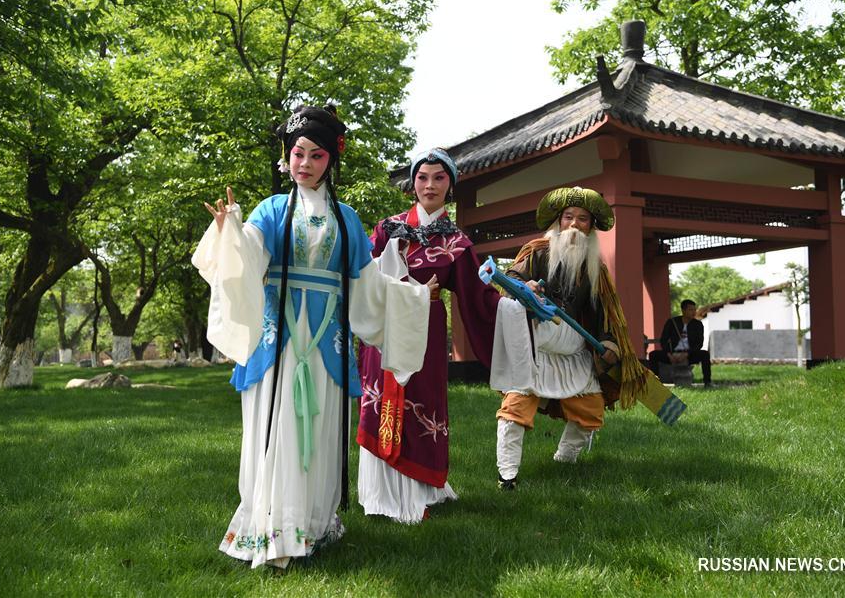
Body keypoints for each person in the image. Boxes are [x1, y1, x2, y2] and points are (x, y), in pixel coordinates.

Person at [192, 105, 435, 569]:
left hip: (327, 339)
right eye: (297, 153)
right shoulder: (270, 210)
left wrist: (413, 299)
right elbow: (249, 258)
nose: (304, 163)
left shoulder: (347, 219)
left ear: (330, 161)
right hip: (279, 337)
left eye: (315, 155)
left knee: (321, 428)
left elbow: (367, 286)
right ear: (287, 157)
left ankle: (313, 524)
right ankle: (269, 526)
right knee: (276, 423)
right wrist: (229, 232)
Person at [356, 148, 502, 523]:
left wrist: (516, 301)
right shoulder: (387, 228)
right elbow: (362, 278)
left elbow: (480, 298)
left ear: (450, 185)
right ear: (412, 183)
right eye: (423, 177)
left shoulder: (456, 241)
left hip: (426, 334)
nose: (430, 185)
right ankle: (380, 493)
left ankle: (421, 490)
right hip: (385, 331)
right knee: (383, 400)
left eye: (439, 177)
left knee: (421, 400)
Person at [489, 187, 648, 490]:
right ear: (559, 222)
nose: (575, 224)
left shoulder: (595, 269)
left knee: (591, 407)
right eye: (569, 217)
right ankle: (506, 476)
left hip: (574, 350)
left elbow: (604, 313)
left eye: (583, 219)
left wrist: (609, 341)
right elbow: (511, 281)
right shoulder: (536, 252)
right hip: (535, 348)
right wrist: (526, 288)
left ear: (591, 227)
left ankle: (565, 460)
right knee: (515, 407)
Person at [648, 299, 712, 387]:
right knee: (653, 355)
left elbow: (699, 343)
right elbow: (664, 340)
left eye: (694, 309)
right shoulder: (672, 322)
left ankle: (707, 382)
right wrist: (669, 354)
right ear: (683, 310)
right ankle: (655, 383)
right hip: (672, 354)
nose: (694, 312)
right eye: (690, 310)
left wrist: (687, 354)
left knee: (704, 354)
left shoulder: (698, 324)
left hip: (689, 354)